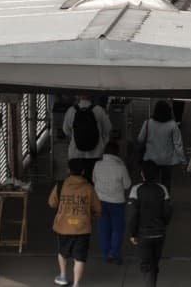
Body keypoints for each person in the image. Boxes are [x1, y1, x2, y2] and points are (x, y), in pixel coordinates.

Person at [50, 159, 102, 287]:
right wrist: (91, 218)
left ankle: (62, 276)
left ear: (68, 170)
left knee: (62, 252)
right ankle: (76, 283)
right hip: (82, 228)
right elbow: (98, 209)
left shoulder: (61, 185)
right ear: (83, 172)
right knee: (80, 257)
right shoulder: (89, 188)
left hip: (63, 227)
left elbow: (51, 203)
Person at [128, 160, 173, 287]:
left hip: (143, 235)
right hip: (159, 234)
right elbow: (168, 212)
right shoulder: (162, 189)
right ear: (156, 174)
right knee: (154, 265)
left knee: (146, 266)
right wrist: (163, 224)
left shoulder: (136, 189)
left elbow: (132, 214)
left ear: (142, 174)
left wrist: (132, 233)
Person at [93, 141, 130, 266]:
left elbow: (94, 180)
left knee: (103, 229)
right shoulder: (121, 167)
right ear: (117, 153)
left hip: (100, 201)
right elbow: (127, 185)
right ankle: (114, 253)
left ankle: (106, 254)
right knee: (117, 229)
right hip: (117, 202)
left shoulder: (97, 165)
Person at [136, 100, 185, 190]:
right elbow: (178, 144)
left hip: (150, 160)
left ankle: (153, 200)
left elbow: (140, 138)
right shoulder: (173, 125)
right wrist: (182, 160)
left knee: (151, 183)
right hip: (167, 160)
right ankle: (166, 200)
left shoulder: (148, 123)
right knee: (166, 184)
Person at [63, 95, 111, 165]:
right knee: (93, 175)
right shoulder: (99, 110)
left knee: (77, 176)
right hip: (96, 154)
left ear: (78, 96)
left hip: (76, 154)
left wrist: (75, 136)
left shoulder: (71, 110)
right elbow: (108, 128)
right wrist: (101, 139)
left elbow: (65, 130)